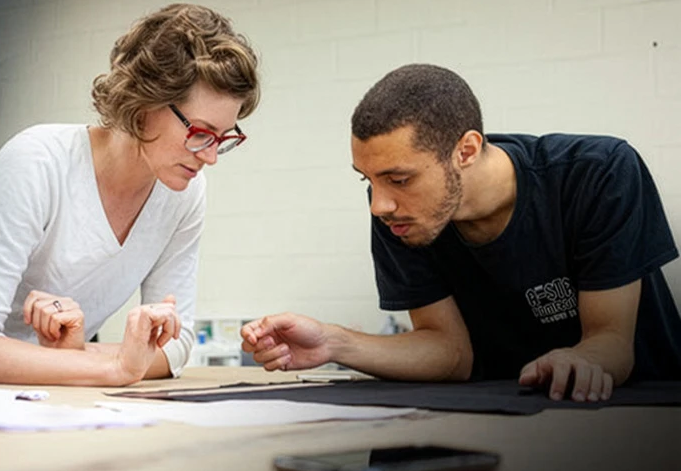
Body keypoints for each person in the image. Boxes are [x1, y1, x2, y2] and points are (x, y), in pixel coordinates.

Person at [242, 63, 681, 402]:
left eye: (399, 179)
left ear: (466, 150)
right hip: (505, 414)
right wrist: (334, 342)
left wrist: (582, 360)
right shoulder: (401, 216)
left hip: (639, 410)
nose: (379, 204)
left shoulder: (598, 173)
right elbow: (450, 353)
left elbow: (612, 342)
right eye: (367, 181)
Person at [0, 3, 260, 386]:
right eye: (201, 133)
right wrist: (115, 366)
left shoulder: (184, 191)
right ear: (145, 104)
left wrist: (78, 356)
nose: (209, 157)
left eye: (223, 139)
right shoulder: (37, 162)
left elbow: (176, 345)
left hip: (26, 383)